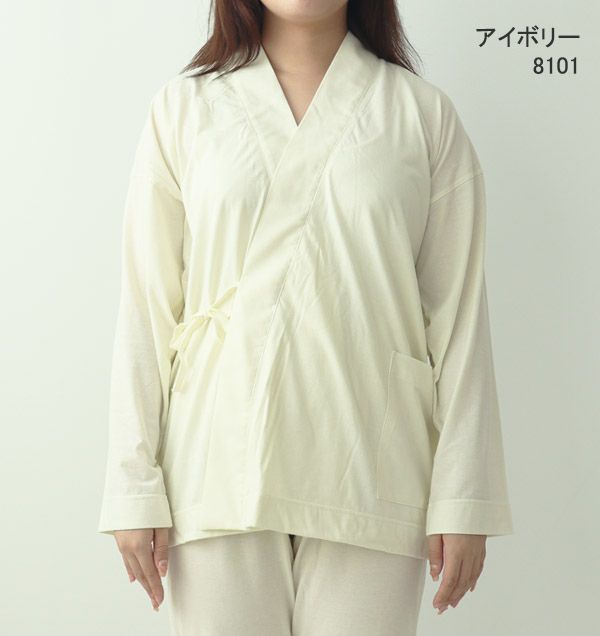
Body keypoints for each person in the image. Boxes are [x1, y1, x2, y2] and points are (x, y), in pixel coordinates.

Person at [97, 1, 514, 634]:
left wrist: (463, 494)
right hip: (215, 462)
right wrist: (133, 483)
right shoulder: (182, 110)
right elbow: (146, 307)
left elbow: (459, 325)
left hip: (368, 460)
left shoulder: (421, 115)